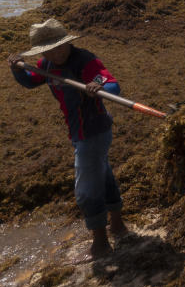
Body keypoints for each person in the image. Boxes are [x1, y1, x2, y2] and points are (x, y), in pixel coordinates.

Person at [8, 18, 127, 259]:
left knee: (85, 190)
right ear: (42, 52)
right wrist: (18, 68)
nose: (56, 53)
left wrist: (96, 86)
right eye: (49, 50)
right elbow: (31, 81)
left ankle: (100, 244)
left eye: (60, 47)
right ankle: (117, 225)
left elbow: (112, 85)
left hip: (93, 132)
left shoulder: (85, 61)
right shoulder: (47, 64)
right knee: (102, 176)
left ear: (67, 42)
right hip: (78, 131)